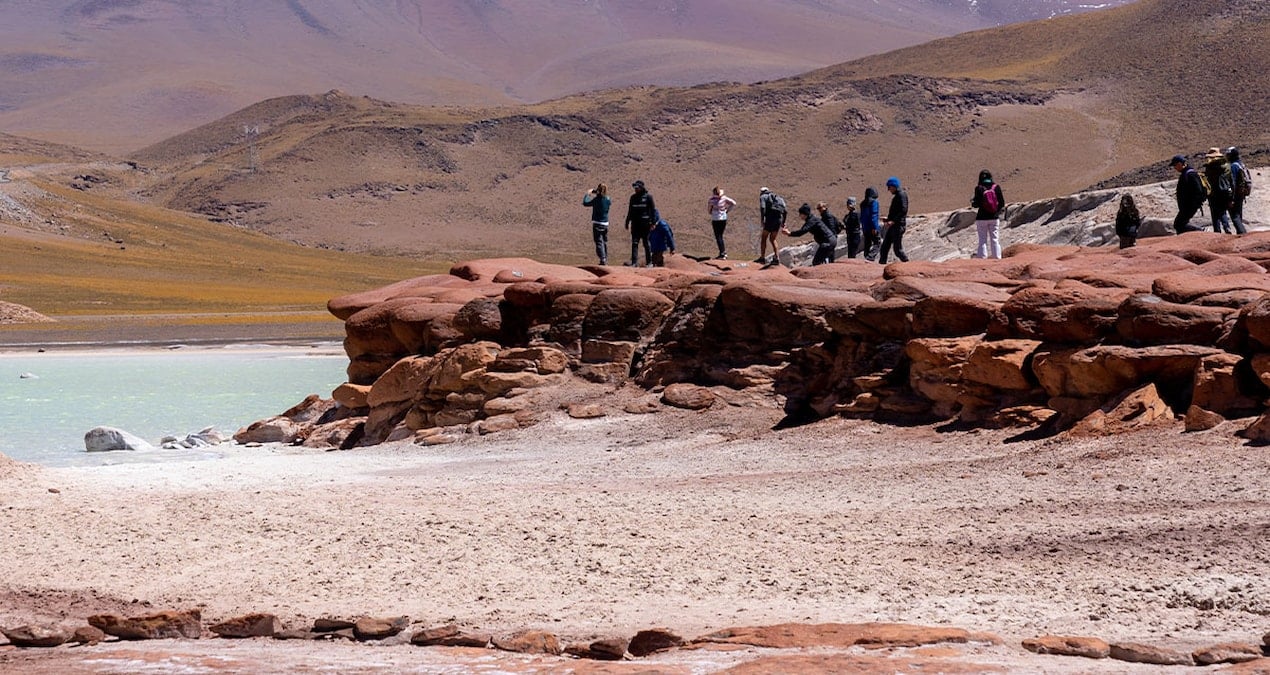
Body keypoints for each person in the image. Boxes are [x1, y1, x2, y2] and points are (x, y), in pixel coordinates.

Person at [971, 169, 1005, 259]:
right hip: (994, 217)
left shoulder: (979, 188)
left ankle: (982, 258)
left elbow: (976, 204)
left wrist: (973, 202)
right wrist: (995, 211)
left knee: (982, 240)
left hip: (981, 218)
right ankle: (997, 258)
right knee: (995, 239)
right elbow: (1001, 203)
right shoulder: (996, 187)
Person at [1170, 154, 1206, 234]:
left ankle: (1200, 231)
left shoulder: (1190, 174)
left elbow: (1198, 191)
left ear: (1179, 164)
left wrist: (1193, 204)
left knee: (1179, 224)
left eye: (1175, 165)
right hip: (1186, 206)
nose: (1175, 168)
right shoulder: (1185, 173)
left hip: (1189, 206)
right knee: (1180, 224)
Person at [1202, 147, 1235, 233]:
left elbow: (1207, 179)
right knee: (1222, 211)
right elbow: (1231, 179)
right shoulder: (1227, 166)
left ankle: (1217, 231)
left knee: (1214, 213)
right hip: (1224, 191)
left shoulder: (1209, 167)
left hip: (1213, 192)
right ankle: (1227, 227)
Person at [624, 180, 655, 266]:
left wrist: (653, 222)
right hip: (635, 224)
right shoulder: (633, 198)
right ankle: (634, 263)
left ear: (641, 188)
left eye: (637, 188)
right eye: (635, 188)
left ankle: (649, 262)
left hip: (645, 224)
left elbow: (652, 211)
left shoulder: (648, 197)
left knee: (646, 243)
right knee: (634, 243)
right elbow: (630, 210)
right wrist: (627, 221)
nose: (636, 189)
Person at [878, 176, 909, 264]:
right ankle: (881, 266)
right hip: (893, 226)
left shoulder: (902, 195)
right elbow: (897, 212)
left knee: (897, 250)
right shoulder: (897, 196)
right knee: (884, 248)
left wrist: (893, 221)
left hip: (898, 226)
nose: (889, 190)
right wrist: (888, 219)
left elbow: (903, 210)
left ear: (893, 186)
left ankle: (908, 264)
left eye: (889, 187)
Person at [582, 183, 611, 265]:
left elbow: (585, 203)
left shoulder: (596, 200)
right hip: (605, 223)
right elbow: (604, 199)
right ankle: (605, 257)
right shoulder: (608, 199)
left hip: (597, 223)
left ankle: (603, 259)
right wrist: (597, 193)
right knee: (604, 241)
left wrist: (588, 194)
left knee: (598, 241)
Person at [757, 187, 787, 264]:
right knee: (773, 239)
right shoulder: (779, 198)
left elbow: (763, 208)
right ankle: (777, 258)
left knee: (764, 237)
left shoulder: (763, 197)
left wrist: (762, 220)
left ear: (762, 192)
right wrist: (783, 222)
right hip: (778, 220)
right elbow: (785, 211)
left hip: (770, 219)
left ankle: (762, 258)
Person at [707, 186, 737, 259]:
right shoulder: (724, 198)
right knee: (720, 236)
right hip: (723, 218)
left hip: (715, 219)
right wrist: (727, 210)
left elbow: (709, 210)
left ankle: (722, 253)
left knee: (718, 236)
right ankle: (722, 252)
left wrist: (712, 212)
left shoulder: (711, 200)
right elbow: (733, 203)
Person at [1227, 147, 1251, 235]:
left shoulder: (1233, 166)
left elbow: (1232, 183)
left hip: (1236, 194)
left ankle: (1242, 233)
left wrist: (1231, 198)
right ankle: (1240, 233)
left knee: (1235, 216)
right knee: (1239, 214)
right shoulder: (1241, 164)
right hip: (1241, 193)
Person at [859, 187, 881, 261]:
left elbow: (862, 217)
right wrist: (874, 227)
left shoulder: (862, 204)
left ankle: (866, 256)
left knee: (867, 243)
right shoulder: (874, 202)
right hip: (872, 227)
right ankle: (870, 257)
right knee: (877, 243)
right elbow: (874, 215)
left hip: (865, 228)